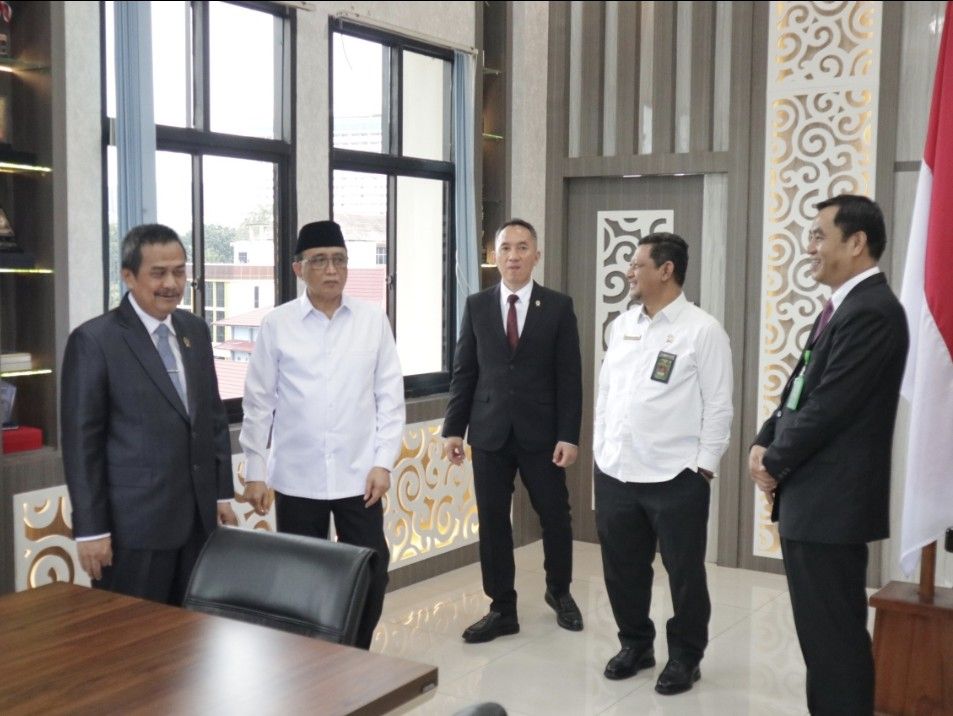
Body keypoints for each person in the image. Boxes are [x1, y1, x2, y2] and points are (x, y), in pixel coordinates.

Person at [749, 195, 908, 715]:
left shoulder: (874, 312)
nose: (809, 247)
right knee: (822, 643)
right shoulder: (842, 306)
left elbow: (830, 406)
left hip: (831, 505)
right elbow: (800, 388)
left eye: (819, 235)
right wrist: (763, 439)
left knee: (835, 644)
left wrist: (773, 461)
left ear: (856, 242)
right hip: (813, 501)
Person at [240, 220, 404, 650]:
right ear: (298, 269)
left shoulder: (372, 320)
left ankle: (354, 653)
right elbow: (258, 402)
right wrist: (255, 471)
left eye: (339, 260)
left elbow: (390, 399)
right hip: (297, 478)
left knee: (372, 571)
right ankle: (308, 661)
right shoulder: (277, 324)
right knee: (301, 578)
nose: (332, 270)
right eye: (319, 261)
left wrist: (383, 463)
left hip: (360, 476)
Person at [61, 224, 238, 606]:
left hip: (198, 524)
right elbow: (81, 446)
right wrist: (91, 530)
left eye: (179, 271)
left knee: (194, 631)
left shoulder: (195, 330)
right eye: (158, 273)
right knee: (131, 635)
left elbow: (211, 417)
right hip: (132, 532)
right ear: (128, 276)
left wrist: (221, 493)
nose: (171, 284)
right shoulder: (94, 341)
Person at [594, 232, 732, 695]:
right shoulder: (622, 325)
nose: (629, 272)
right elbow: (607, 393)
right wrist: (601, 450)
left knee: (685, 575)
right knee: (622, 569)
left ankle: (686, 656)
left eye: (637, 265)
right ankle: (635, 645)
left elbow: (719, 406)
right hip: (616, 471)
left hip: (676, 476)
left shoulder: (703, 330)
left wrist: (703, 468)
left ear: (666, 270)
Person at [443, 218, 584, 643]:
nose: (513, 256)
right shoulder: (477, 306)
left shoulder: (557, 306)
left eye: (522, 248)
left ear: (536, 255)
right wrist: (453, 429)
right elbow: (465, 372)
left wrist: (568, 435)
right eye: (505, 248)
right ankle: (502, 607)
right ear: (496, 255)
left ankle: (559, 591)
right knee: (493, 523)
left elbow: (569, 378)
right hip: (489, 432)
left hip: (542, 435)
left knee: (555, 516)